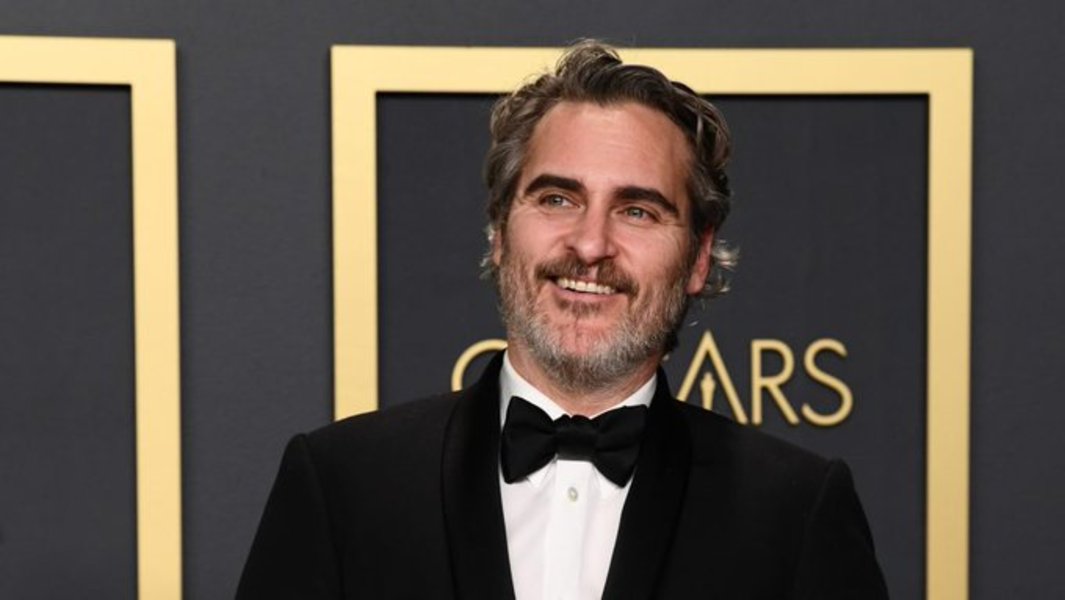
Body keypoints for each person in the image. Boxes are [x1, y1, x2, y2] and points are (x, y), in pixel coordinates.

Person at [236, 41, 888, 599]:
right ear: (499, 231)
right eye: (556, 198)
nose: (590, 244)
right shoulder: (341, 486)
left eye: (637, 211)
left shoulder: (794, 513)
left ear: (696, 257)